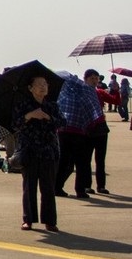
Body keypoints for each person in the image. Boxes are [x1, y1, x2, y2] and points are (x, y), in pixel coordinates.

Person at [14, 74, 65, 231]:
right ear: (30, 88)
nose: (43, 87)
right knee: (29, 187)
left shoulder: (52, 106)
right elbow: (15, 124)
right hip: (29, 151)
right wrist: (30, 116)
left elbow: (62, 122)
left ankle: (50, 221)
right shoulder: (23, 105)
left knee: (48, 187)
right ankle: (28, 219)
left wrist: (48, 117)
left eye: (45, 84)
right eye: (39, 84)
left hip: (48, 151)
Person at [55, 70, 104, 199]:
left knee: (64, 161)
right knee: (81, 162)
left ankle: (57, 187)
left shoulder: (63, 94)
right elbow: (94, 113)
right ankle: (80, 190)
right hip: (79, 132)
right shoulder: (87, 92)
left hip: (63, 131)